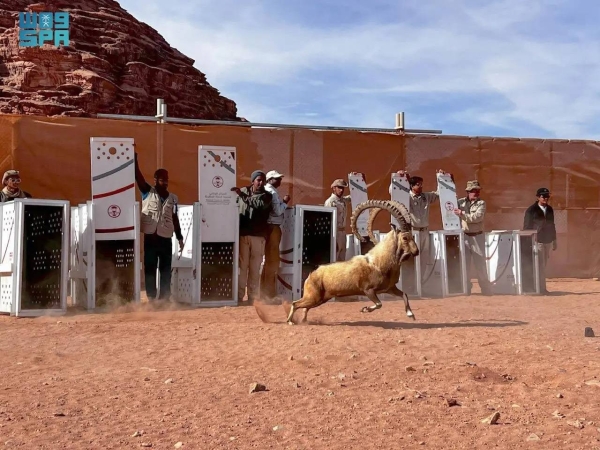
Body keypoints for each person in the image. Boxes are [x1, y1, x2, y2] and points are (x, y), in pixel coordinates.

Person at [134, 153, 183, 301]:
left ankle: (164, 298)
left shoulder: (173, 198)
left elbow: (175, 218)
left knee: (166, 269)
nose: (165, 183)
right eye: (162, 180)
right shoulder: (147, 192)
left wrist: (179, 237)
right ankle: (151, 297)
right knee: (150, 268)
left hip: (166, 237)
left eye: (167, 180)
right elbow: (138, 177)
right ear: (155, 180)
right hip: (151, 236)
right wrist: (134, 159)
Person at [388, 169, 450, 279]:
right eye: (418, 185)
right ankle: (411, 283)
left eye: (421, 184)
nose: (420, 187)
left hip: (424, 231)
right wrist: (397, 177)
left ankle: (420, 283)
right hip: (412, 232)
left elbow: (439, 194)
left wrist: (441, 178)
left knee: (424, 258)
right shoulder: (406, 197)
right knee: (411, 257)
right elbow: (393, 192)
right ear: (411, 186)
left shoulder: (426, 196)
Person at [232, 170, 273, 305]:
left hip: (258, 236)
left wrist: (241, 195)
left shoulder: (267, 196)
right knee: (242, 267)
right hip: (243, 235)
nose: (261, 183)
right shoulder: (243, 191)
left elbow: (256, 205)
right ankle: (238, 296)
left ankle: (252, 298)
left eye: (263, 180)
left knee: (255, 268)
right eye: (258, 180)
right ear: (253, 181)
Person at [454, 180, 493, 296]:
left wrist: (462, 214)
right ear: (468, 192)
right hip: (464, 236)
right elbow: (449, 204)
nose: (475, 193)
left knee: (480, 264)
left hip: (477, 236)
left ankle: (485, 288)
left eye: (477, 191)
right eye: (472, 191)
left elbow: (477, 217)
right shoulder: (460, 202)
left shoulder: (482, 203)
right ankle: (466, 288)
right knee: (464, 264)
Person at [523, 187, 556, 295]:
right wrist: (530, 239)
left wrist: (554, 239)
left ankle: (541, 288)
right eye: (543, 196)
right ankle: (538, 288)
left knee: (543, 265)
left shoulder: (550, 209)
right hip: (537, 241)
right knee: (538, 266)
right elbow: (527, 226)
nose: (545, 198)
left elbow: (552, 225)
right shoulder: (531, 210)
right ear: (538, 197)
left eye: (547, 196)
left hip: (548, 240)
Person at [324, 178, 353, 261]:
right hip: (334, 233)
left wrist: (357, 179)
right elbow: (327, 221)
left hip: (342, 232)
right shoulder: (330, 202)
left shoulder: (343, 200)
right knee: (334, 257)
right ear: (334, 188)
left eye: (343, 188)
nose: (341, 190)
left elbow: (354, 196)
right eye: (339, 188)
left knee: (342, 257)